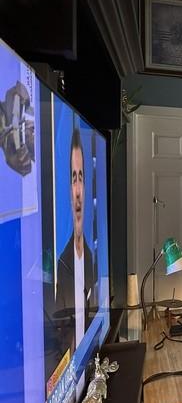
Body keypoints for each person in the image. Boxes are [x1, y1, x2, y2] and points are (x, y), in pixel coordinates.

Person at [56, 128, 96, 342]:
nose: (78, 190)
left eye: (81, 177)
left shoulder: (93, 259)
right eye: (73, 178)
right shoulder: (61, 265)